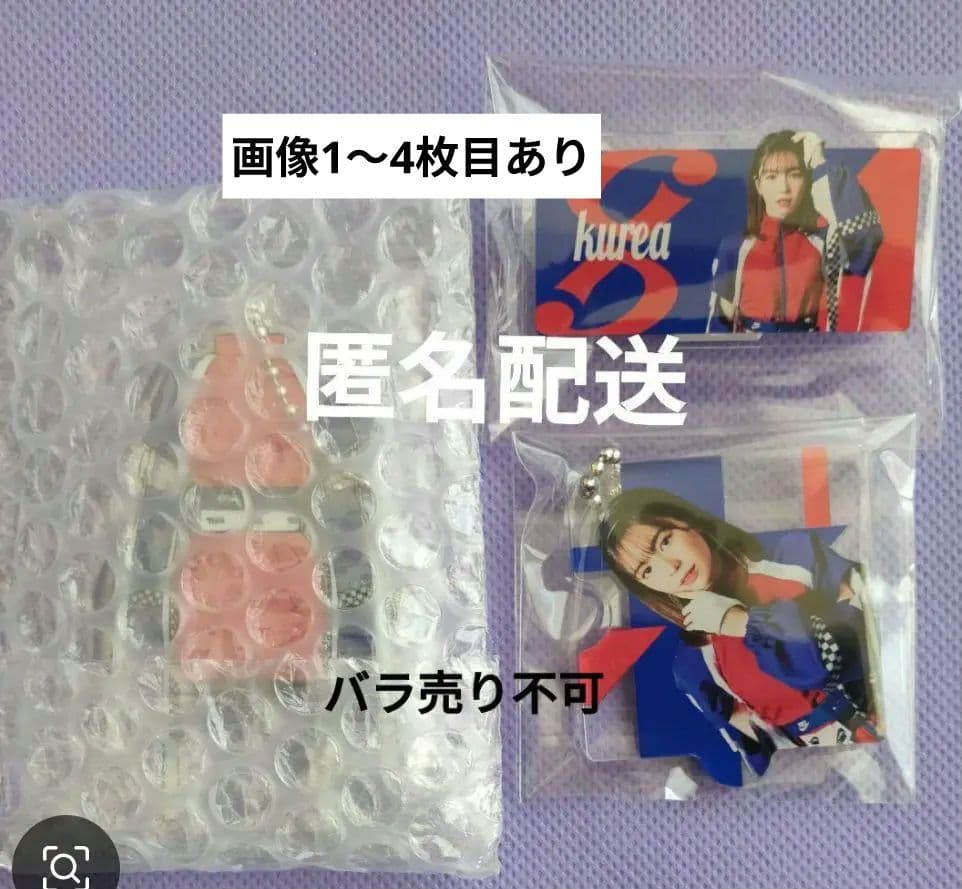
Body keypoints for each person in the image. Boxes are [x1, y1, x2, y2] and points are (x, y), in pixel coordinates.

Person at [600, 487, 878, 776]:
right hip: (823, 772)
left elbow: (863, 641)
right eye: (646, 571)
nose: (671, 567)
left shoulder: (795, 558)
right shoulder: (694, 665)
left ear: (688, 521)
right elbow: (761, 756)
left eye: (665, 541)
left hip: (889, 717)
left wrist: (741, 622)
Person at [711, 130, 882, 332]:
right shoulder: (735, 247)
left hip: (806, 346)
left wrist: (820, 164)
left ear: (807, 181)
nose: (784, 187)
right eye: (772, 177)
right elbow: (719, 327)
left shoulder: (823, 243)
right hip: (751, 348)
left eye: (794, 175)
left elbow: (865, 238)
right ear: (759, 185)